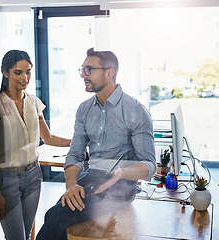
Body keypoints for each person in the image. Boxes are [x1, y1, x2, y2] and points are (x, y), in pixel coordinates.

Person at [36, 48, 156, 240]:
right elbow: (75, 154)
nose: (83, 75)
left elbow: (149, 165)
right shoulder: (84, 109)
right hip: (90, 179)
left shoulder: (135, 110)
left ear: (110, 73)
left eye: (89, 69)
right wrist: (71, 185)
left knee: (55, 217)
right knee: (54, 215)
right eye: (82, 69)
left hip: (121, 187)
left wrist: (120, 173)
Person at [0, 50, 71, 240]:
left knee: (27, 234)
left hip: (33, 175)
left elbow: (49, 138)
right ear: (5, 72)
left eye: (28, 72)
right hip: (6, 179)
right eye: (18, 72)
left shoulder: (35, 102)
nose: (25, 77)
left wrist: (80, 141)